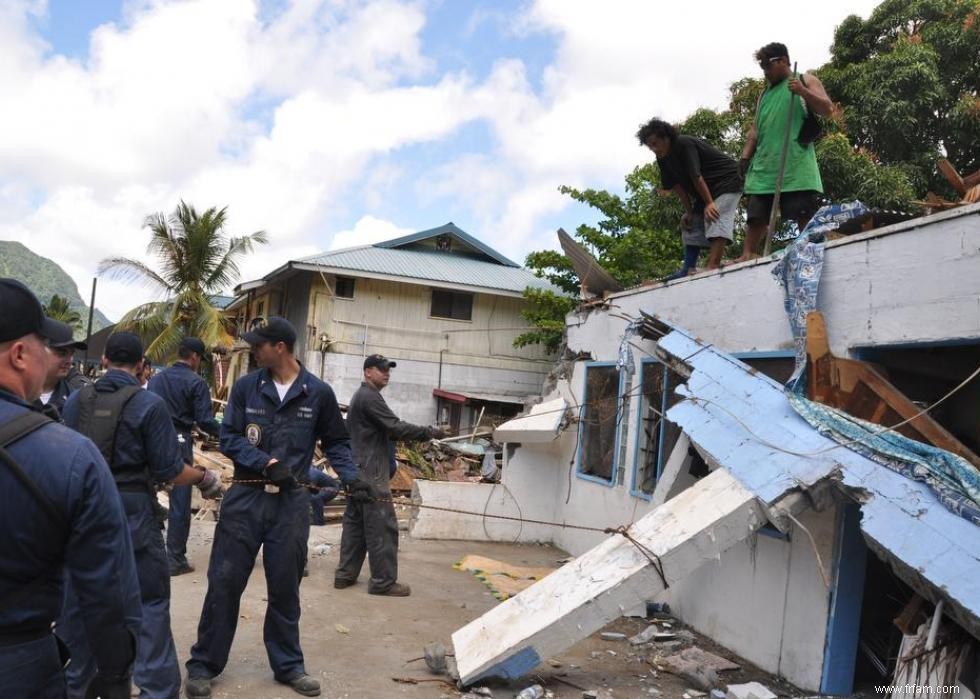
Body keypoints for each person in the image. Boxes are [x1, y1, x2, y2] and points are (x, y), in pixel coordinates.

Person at [185, 317, 374, 698]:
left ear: (280, 347)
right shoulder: (246, 388)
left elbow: (336, 442)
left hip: (290, 505)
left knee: (285, 587)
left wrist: (351, 475)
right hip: (245, 500)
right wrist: (267, 464)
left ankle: (288, 666)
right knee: (224, 582)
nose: (254, 350)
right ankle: (204, 664)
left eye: (260, 345)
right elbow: (231, 438)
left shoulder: (317, 393)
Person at [60, 332, 224, 698]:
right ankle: (157, 689)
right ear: (140, 366)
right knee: (149, 601)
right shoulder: (148, 405)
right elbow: (170, 470)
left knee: (79, 601)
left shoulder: (75, 401)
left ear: (103, 361)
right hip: (132, 510)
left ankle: (75, 686)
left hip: (83, 511)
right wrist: (204, 477)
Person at [0, 278, 140, 698]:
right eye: (46, 345)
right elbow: (107, 587)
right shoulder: (69, 457)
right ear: (21, 354)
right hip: (18, 662)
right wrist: (115, 673)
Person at [334, 354, 446, 597]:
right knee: (383, 527)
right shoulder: (369, 397)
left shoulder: (362, 397)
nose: (387, 373)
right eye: (381, 369)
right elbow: (394, 426)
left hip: (356, 472)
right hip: (372, 475)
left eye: (388, 370)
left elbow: (387, 431)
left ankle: (345, 575)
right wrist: (430, 432)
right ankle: (383, 582)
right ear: (367, 372)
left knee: (355, 526)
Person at [737, 42, 833, 260]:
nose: (765, 71)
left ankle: (810, 249)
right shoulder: (764, 96)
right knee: (756, 214)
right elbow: (755, 129)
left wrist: (803, 92)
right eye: (762, 67)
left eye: (767, 65)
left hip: (795, 163)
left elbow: (827, 109)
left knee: (802, 210)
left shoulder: (804, 80)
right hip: (765, 165)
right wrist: (744, 156)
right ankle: (747, 254)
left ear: (783, 61)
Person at [148, 337, 221, 576]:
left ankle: (149, 552)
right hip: (179, 440)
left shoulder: (157, 379)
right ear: (195, 357)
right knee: (180, 502)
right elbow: (205, 420)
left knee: (149, 495)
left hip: (153, 438)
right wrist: (227, 433)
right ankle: (175, 559)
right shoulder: (196, 382)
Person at [637, 118, 743, 273]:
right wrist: (689, 212)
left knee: (715, 214)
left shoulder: (683, 143)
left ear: (666, 138)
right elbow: (677, 187)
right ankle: (688, 267)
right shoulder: (662, 159)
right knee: (690, 222)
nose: (653, 149)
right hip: (705, 191)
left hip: (727, 180)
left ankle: (713, 264)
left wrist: (709, 203)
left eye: (655, 143)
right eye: (649, 146)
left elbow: (696, 176)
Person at [36, 322, 90, 414]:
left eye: (72, 354)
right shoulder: (15, 392)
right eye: (62, 353)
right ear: (39, 351)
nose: (69, 361)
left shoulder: (74, 400)